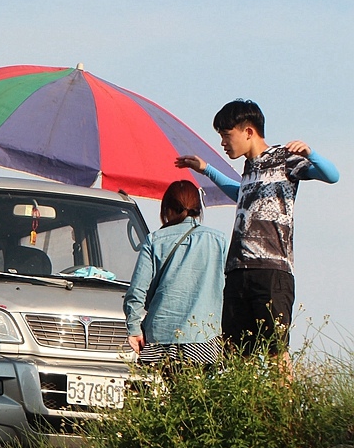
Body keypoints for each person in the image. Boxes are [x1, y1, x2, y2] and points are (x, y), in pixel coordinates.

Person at [176, 99, 339, 353]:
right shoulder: (249, 168)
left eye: (226, 135)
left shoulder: (285, 160)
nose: (223, 143)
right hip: (238, 270)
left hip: (272, 270)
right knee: (236, 353)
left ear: (248, 131)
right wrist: (206, 170)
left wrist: (310, 154)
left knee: (276, 352)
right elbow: (242, 194)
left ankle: (284, 395)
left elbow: (332, 176)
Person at [124, 180, 227, 365]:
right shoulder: (218, 241)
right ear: (198, 209)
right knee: (196, 392)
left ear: (167, 209)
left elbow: (136, 291)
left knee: (156, 392)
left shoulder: (155, 240)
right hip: (203, 338)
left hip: (159, 338)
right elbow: (229, 290)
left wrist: (134, 329)